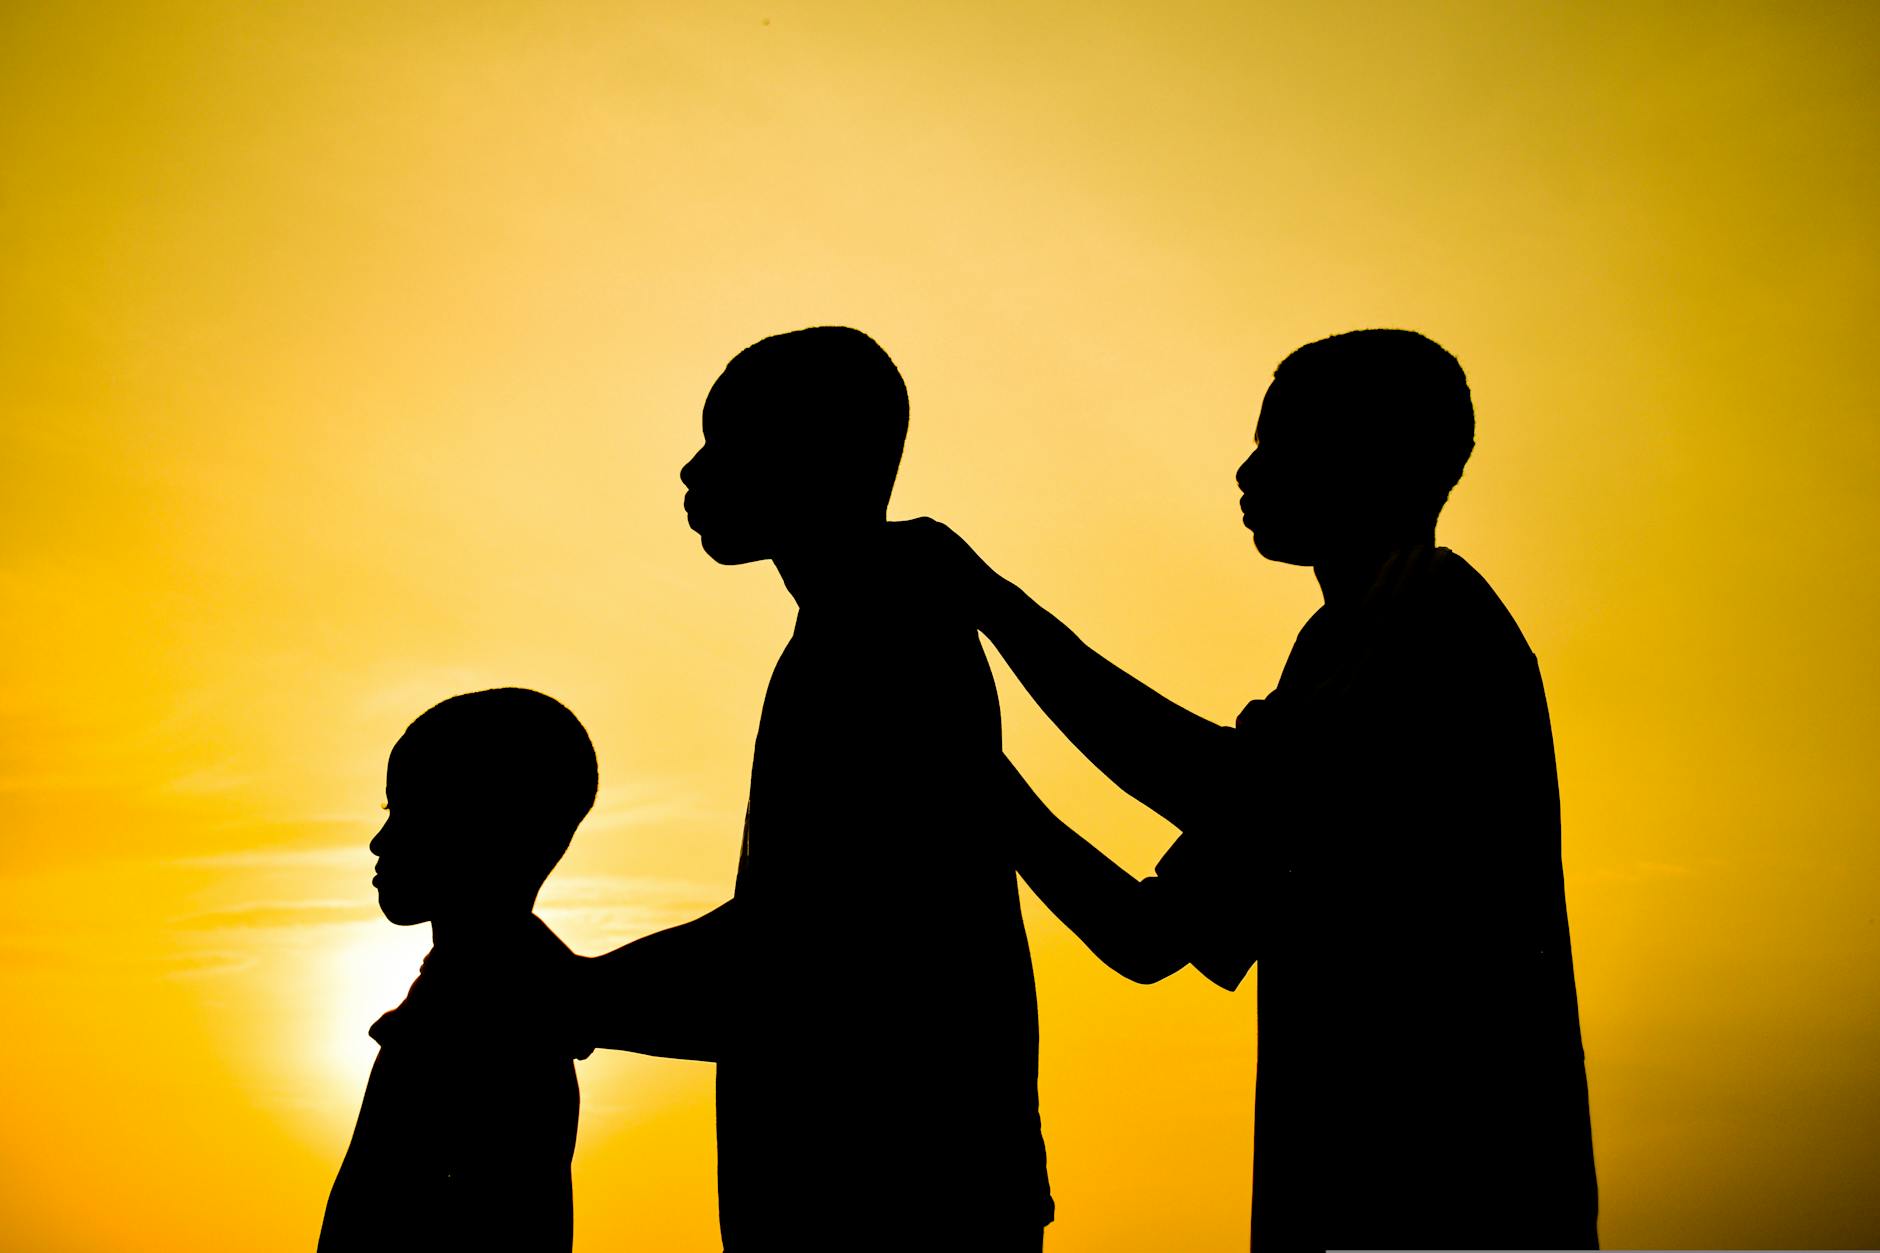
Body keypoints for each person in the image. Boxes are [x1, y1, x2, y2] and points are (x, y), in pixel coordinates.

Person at [909, 329, 1599, 1250]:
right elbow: (1150, 934)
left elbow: (1213, 787)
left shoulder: (1437, 629)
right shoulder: (1334, 654)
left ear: (1372, 459)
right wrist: (985, 784)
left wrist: (988, 600)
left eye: (1281, 444)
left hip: (1453, 1203)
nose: (1245, 469)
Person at [573, 327, 1053, 1251]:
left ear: (813, 457)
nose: (690, 469)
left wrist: (578, 993)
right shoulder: (853, 631)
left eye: (726, 442)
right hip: (900, 1175)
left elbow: (807, 945)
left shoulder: (876, 640)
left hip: (896, 1187)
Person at [319, 688, 597, 1252]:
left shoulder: (464, 1027)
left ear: (477, 829)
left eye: (406, 814)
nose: (380, 841)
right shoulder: (511, 1006)